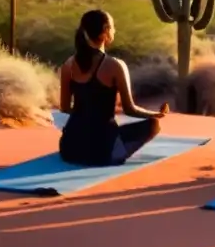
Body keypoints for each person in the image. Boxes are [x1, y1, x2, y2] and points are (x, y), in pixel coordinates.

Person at [58, 9, 167, 166]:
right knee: (153, 125)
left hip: (69, 148)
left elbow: (65, 107)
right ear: (105, 32)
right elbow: (130, 109)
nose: (115, 30)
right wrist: (156, 114)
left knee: (91, 131)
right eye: (112, 27)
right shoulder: (115, 65)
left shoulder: (68, 65)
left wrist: (86, 112)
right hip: (102, 151)